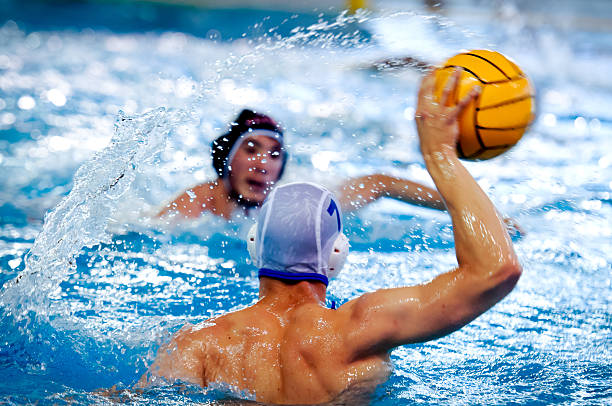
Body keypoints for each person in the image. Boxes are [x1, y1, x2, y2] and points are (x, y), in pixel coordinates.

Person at [137, 70, 523, 404]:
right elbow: (496, 269)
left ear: (253, 245)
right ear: (337, 252)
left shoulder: (198, 344)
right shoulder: (359, 331)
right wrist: (440, 154)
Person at [157, 109, 444, 220]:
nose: (262, 164)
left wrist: (457, 205)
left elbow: (381, 183)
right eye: (251, 149)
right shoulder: (196, 204)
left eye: (274, 154)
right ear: (227, 159)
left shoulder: (291, 201)